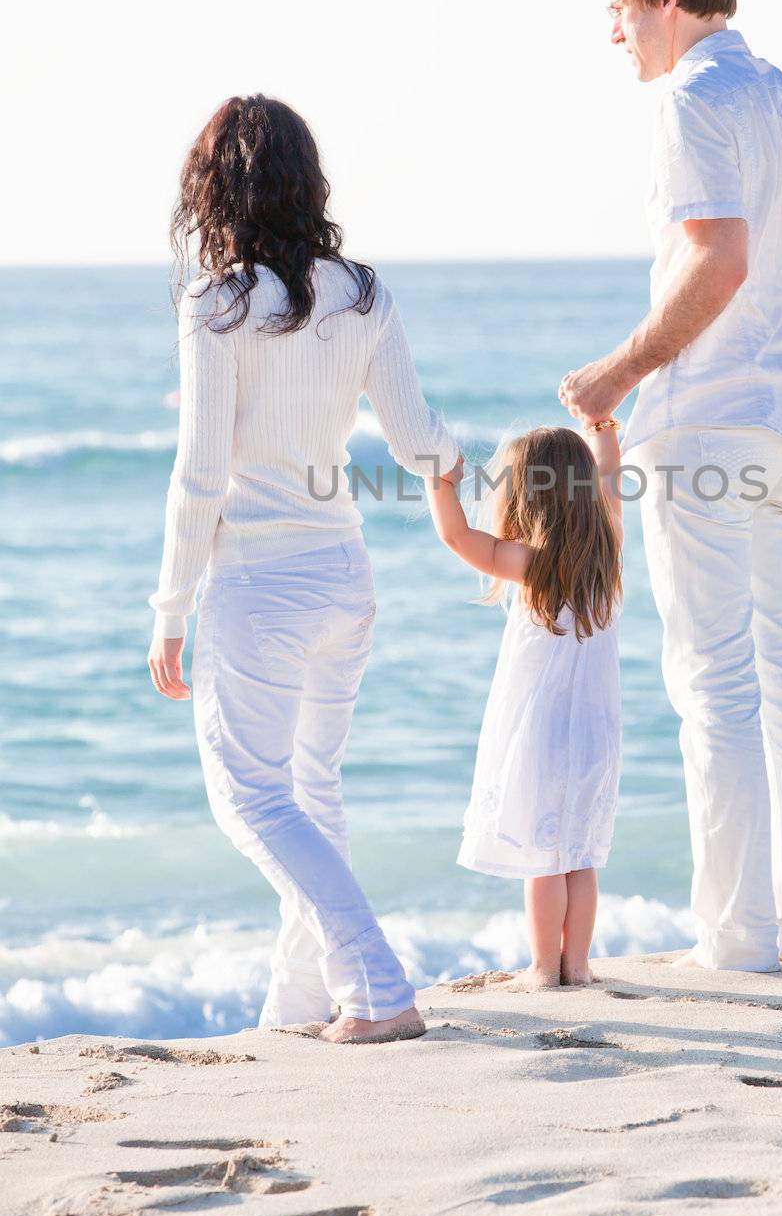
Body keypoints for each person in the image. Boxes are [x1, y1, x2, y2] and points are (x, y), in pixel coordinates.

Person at [560, 0, 782, 974]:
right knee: (778, 664)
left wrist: (616, 372)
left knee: (713, 681)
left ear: (666, 0)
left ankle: (737, 940)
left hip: (702, 422)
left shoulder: (691, 100)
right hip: (781, 425)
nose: (612, 33)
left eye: (616, 8)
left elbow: (717, 261)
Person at [146, 94, 463, 1042]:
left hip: (258, 586)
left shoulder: (218, 304)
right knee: (311, 789)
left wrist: (169, 608)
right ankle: (299, 1003)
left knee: (250, 796)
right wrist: (488, 481)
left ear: (216, 190)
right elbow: (416, 442)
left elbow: (201, 473)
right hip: (342, 579)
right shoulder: (361, 293)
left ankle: (374, 985)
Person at [426, 422, 623, 988]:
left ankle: (542, 967)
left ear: (525, 497)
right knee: (579, 853)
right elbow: (610, 478)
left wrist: (441, 478)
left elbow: (457, 537)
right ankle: (578, 966)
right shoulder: (606, 553)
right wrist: (605, 429)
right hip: (596, 731)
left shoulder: (534, 565)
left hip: (542, 728)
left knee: (543, 855)